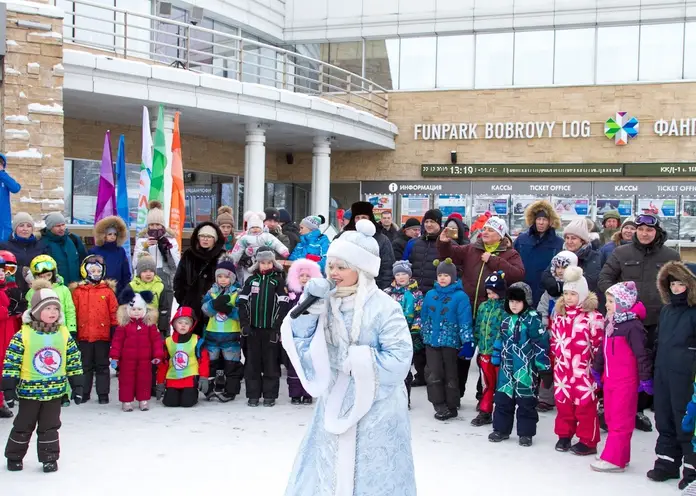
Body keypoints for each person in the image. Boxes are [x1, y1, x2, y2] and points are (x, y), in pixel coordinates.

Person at [280, 219, 416, 496]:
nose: (334, 273)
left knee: (372, 469)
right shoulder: (323, 300)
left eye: (342, 267)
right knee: (327, 467)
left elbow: (400, 357)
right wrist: (307, 313)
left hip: (377, 405)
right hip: (334, 398)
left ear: (362, 270)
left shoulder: (384, 307)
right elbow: (302, 343)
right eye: (331, 265)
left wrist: (357, 362)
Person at [599, 213, 680, 432]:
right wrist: (619, 303)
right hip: (625, 322)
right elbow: (605, 278)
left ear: (657, 232)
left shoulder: (670, 255)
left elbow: (680, 284)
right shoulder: (621, 252)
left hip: (657, 321)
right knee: (622, 367)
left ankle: (637, 410)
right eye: (640, 229)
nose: (644, 234)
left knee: (647, 366)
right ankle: (611, 409)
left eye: (649, 230)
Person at [438, 216, 525, 399]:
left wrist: (493, 260)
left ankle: (483, 395)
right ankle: (456, 395)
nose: (485, 232)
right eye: (484, 229)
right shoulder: (473, 248)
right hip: (468, 311)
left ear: (500, 235)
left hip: (492, 314)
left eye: (490, 230)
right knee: (462, 354)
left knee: (486, 357)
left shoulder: (510, 253)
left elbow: (518, 274)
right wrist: (444, 243)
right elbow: (451, 255)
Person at [2, 279, 83, 473]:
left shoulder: (63, 334)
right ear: (36, 311)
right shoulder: (23, 335)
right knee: (23, 425)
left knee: (50, 426)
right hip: (29, 391)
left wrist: (78, 385)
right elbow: (11, 362)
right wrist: (8, 387)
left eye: (56, 308)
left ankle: (49, 457)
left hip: (55, 392)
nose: (53, 312)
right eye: (48, 308)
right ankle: (14, 456)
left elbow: (73, 360)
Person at [591, 282, 652, 473]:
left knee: (620, 420)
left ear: (623, 303)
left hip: (625, 381)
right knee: (610, 417)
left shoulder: (633, 327)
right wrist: (597, 369)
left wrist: (645, 379)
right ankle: (619, 455)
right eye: (607, 300)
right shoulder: (612, 323)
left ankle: (614, 460)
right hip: (610, 379)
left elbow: (642, 354)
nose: (606, 304)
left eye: (611, 301)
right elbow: (603, 349)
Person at [647, 262, 696, 488]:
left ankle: (692, 467)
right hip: (664, 372)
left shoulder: (693, 313)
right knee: (664, 416)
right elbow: (658, 341)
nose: (676, 288)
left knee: (684, 419)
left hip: (686, 375)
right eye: (673, 284)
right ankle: (666, 462)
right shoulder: (666, 311)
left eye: (681, 284)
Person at [550, 266, 605, 455]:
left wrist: (598, 369)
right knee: (564, 403)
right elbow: (554, 339)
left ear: (581, 295)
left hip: (584, 370)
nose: (568, 297)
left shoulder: (593, 317)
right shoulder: (559, 315)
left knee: (585, 406)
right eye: (565, 293)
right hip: (563, 369)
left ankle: (588, 440)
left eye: (573, 294)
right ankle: (564, 435)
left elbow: (598, 345)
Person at [489, 282, 551, 447]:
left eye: (517, 301)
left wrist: (544, 367)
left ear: (526, 301)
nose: (514, 304)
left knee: (526, 402)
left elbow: (540, 344)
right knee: (502, 400)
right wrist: (495, 358)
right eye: (511, 301)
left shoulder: (532, 320)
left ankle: (526, 433)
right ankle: (501, 429)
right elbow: (499, 340)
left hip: (526, 370)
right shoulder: (506, 320)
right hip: (506, 369)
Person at [420, 258, 474, 420]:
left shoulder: (460, 297)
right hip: (431, 341)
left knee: (451, 374)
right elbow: (424, 316)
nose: (442, 278)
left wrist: (467, 341)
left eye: (446, 275)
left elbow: (465, 320)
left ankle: (452, 404)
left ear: (453, 277)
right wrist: (422, 334)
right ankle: (439, 405)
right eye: (440, 275)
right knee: (434, 373)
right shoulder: (430, 295)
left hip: (450, 342)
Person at [238, 246, 289, 407]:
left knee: (271, 365)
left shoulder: (278, 280)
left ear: (273, 263)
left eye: (268, 263)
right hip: (252, 330)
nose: (265, 266)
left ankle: (270, 395)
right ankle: (253, 395)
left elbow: (283, 305)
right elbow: (242, 302)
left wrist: (276, 327)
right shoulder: (251, 280)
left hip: (270, 331)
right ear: (257, 264)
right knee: (252, 364)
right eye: (262, 263)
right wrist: (245, 324)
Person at [70, 255, 118, 404]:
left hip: (102, 336)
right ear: (85, 272)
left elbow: (113, 311)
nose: (96, 273)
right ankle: (84, 392)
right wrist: (74, 330)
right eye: (93, 270)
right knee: (85, 365)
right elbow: (73, 312)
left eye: (99, 270)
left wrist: (114, 328)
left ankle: (103, 394)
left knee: (103, 366)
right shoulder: (78, 292)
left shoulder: (108, 291)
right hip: (84, 335)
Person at [536, 250, 578, 412]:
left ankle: (567, 397)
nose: (560, 271)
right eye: (557, 267)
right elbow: (542, 309)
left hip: (569, 336)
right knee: (547, 365)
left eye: (564, 267)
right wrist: (545, 327)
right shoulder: (549, 291)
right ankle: (546, 398)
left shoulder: (576, 292)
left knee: (567, 368)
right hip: (551, 334)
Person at [110, 288, 162, 412]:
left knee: (144, 380)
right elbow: (117, 342)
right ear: (128, 310)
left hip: (145, 360)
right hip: (127, 360)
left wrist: (157, 355)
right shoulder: (123, 326)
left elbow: (156, 341)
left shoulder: (150, 325)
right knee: (126, 380)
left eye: (139, 309)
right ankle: (126, 401)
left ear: (144, 310)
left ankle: (143, 400)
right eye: (133, 309)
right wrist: (115, 357)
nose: (136, 312)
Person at [200, 253, 243, 402]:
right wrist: (214, 305)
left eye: (226, 276)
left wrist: (229, 310)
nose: (223, 280)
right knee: (211, 364)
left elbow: (241, 314)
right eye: (220, 276)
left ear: (232, 277)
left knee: (232, 365)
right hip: (212, 334)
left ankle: (230, 391)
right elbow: (205, 310)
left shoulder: (238, 292)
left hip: (231, 335)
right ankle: (209, 389)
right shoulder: (211, 292)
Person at [173, 222, 225, 336]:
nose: (205, 239)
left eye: (209, 237)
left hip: (213, 306)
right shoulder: (189, 254)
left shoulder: (222, 256)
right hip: (191, 306)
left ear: (215, 239)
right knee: (190, 339)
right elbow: (178, 279)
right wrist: (183, 299)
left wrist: (219, 302)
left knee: (211, 342)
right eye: (202, 236)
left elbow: (227, 281)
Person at [384, 260, 424, 408]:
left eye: (404, 274)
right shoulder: (387, 293)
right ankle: (390, 397)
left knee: (406, 367)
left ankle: (405, 399)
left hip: (408, 334)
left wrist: (415, 329)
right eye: (398, 274)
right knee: (391, 367)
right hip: (391, 334)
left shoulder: (416, 293)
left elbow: (419, 313)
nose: (401, 277)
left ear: (409, 275)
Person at [471, 271, 506, 427]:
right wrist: (476, 342)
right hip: (484, 352)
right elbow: (478, 326)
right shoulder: (483, 307)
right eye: (489, 293)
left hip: (499, 354)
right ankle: (485, 411)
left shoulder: (505, 308)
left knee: (500, 383)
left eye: (494, 293)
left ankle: (502, 411)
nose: (491, 296)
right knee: (487, 383)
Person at [285, 258, 322, 405]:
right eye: (302, 276)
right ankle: (295, 393)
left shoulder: (316, 297)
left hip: (311, 335)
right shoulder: (291, 294)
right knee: (294, 364)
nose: (305, 279)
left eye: (308, 276)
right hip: (294, 334)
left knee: (309, 364)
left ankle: (308, 392)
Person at [156, 307, 210, 408]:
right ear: (174, 324)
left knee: (187, 403)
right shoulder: (167, 342)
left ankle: (193, 393)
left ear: (191, 325)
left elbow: (204, 360)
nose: (183, 325)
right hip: (172, 379)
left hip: (189, 379)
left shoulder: (197, 340)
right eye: (180, 322)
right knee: (170, 403)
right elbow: (163, 364)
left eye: (187, 323)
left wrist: (203, 377)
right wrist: (160, 383)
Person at [514, 200, 564, 306]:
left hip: (547, 292)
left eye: (544, 219)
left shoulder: (558, 243)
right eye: (539, 219)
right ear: (534, 220)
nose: (541, 222)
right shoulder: (522, 240)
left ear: (550, 222)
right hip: (524, 289)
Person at [339, 201, 395, 290]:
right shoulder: (342, 237)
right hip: (347, 288)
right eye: (357, 217)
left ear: (370, 219)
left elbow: (387, 268)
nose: (360, 220)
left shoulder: (382, 239)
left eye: (364, 217)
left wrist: (383, 289)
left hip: (373, 288)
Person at [231, 211, 290, 284]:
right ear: (249, 228)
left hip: (265, 263)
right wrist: (234, 261)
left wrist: (283, 250)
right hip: (250, 264)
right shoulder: (244, 238)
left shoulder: (266, 236)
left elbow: (275, 243)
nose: (255, 229)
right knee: (249, 280)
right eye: (252, 227)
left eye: (257, 227)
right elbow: (238, 249)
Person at [133, 201, 180, 289]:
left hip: (165, 276)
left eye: (158, 224)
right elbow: (135, 264)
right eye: (152, 225)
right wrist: (145, 247)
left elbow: (176, 265)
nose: (154, 227)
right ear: (148, 226)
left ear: (162, 225)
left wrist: (166, 249)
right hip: (146, 278)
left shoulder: (171, 240)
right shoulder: (141, 240)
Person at [0, 212, 47, 295]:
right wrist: (23, 271)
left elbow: (48, 265)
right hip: (12, 293)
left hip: (36, 292)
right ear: (15, 228)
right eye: (21, 225)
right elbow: (3, 269)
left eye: (29, 226)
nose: (25, 229)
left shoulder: (40, 246)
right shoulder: (4, 247)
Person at [40, 212, 86, 286]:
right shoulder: (43, 244)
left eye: (63, 225)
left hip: (76, 286)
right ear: (50, 227)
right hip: (56, 288)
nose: (61, 228)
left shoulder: (74, 239)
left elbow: (84, 261)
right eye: (57, 226)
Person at [0, 255, 21, 418]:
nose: (2, 273)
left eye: (3, 270)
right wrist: (7, 311)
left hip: (6, 336)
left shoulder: (7, 288)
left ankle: (1, 402)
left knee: (3, 368)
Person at [89, 215, 131, 296]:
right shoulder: (94, 251)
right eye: (110, 234)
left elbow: (125, 272)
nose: (112, 236)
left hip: (118, 289)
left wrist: (126, 288)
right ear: (103, 235)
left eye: (115, 234)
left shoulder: (120, 251)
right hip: (99, 289)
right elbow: (89, 272)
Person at [405, 209, 445, 294]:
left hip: (437, 293)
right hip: (415, 292)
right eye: (426, 221)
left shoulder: (447, 244)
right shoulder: (415, 243)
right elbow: (408, 266)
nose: (429, 224)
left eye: (432, 221)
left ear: (439, 223)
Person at [129, 255, 167, 335]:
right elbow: (126, 307)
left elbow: (164, 307)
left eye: (151, 271)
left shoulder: (160, 286)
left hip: (153, 325)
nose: (148, 274)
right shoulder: (132, 286)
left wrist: (162, 327)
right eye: (145, 271)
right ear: (139, 273)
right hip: (135, 326)